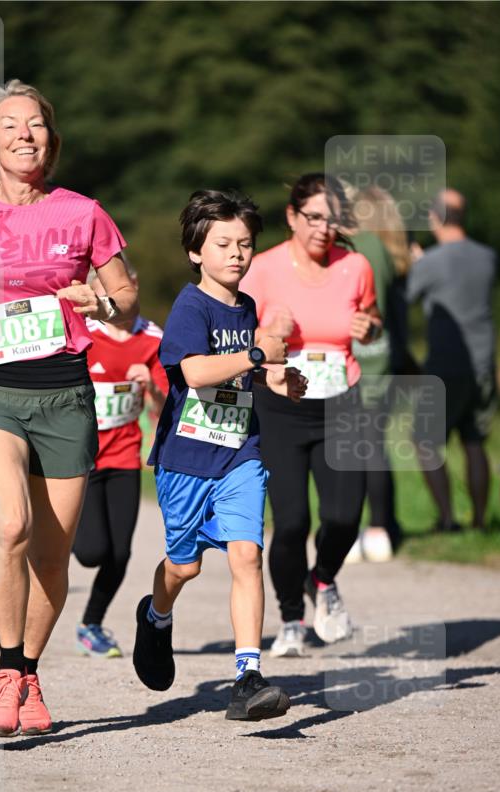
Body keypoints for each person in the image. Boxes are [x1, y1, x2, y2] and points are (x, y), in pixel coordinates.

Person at [0, 80, 137, 737]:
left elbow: (127, 296)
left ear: (51, 139)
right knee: (11, 524)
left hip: (66, 394)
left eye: (36, 125)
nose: (25, 135)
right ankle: (4, 671)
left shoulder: (84, 213)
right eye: (10, 126)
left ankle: (31, 674)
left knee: (51, 555)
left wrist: (99, 304)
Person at [132, 189, 307, 722]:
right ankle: (156, 615)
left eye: (246, 244)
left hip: (239, 452)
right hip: (186, 460)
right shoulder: (191, 305)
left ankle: (247, 677)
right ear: (195, 251)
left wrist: (279, 378)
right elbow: (195, 372)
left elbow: (242, 375)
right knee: (184, 567)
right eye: (224, 243)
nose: (237, 253)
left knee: (246, 555)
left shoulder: (247, 306)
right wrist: (256, 353)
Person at [241, 173, 381, 656]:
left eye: (332, 218)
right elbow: (241, 344)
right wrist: (267, 333)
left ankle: (322, 580)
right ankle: (290, 620)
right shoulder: (262, 269)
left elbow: (372, 320)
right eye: (314, 217)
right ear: (292, 217)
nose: (324, 228)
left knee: (344, 516)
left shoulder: (356, 266)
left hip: (342, 398)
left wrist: (369, 327)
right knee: (293, 521)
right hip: (282, 403)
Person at [73, 259, 168, 657]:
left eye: (117, 285)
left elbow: (164, 410)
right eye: (101, 288)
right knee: (92, 551)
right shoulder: (82, 335)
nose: (109, 294)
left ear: (133, 284)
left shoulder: (153, 339)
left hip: (126, 456)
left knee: (120, 553)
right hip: (81, 457)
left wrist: (153, 388)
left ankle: (91, 624)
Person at [408, 189, 497, 531]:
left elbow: (410, 294)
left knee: (425, 441)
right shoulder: (487, 256)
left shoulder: (431, 262)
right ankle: (479, 521)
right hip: (484, 361)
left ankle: (446, 518)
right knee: (474, 442)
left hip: (445, 364)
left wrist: (417, 264)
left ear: (436, 217)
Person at [347, 186, 413, 562]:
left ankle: (361, 529)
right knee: (375, 444)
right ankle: (383, 524)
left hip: (359, 357)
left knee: (352, 447)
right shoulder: (391, 256)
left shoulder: (359, 249)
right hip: (386, 359)